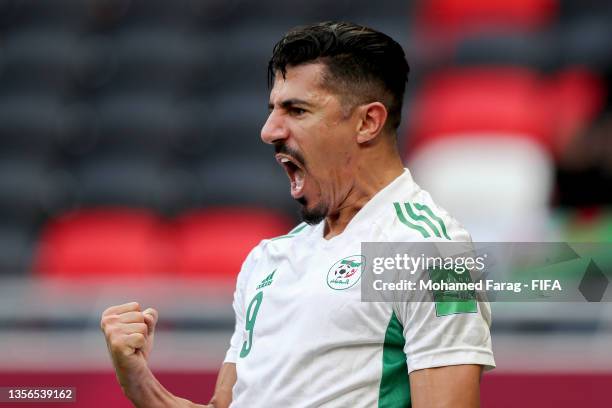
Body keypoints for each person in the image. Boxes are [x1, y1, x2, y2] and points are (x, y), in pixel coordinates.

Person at [101, 21, 495, 407]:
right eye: (273, 108)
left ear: (367, 122)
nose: (269, 130)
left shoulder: (434, 252)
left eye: (297, 110)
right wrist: (140, 384)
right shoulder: (268, 259)